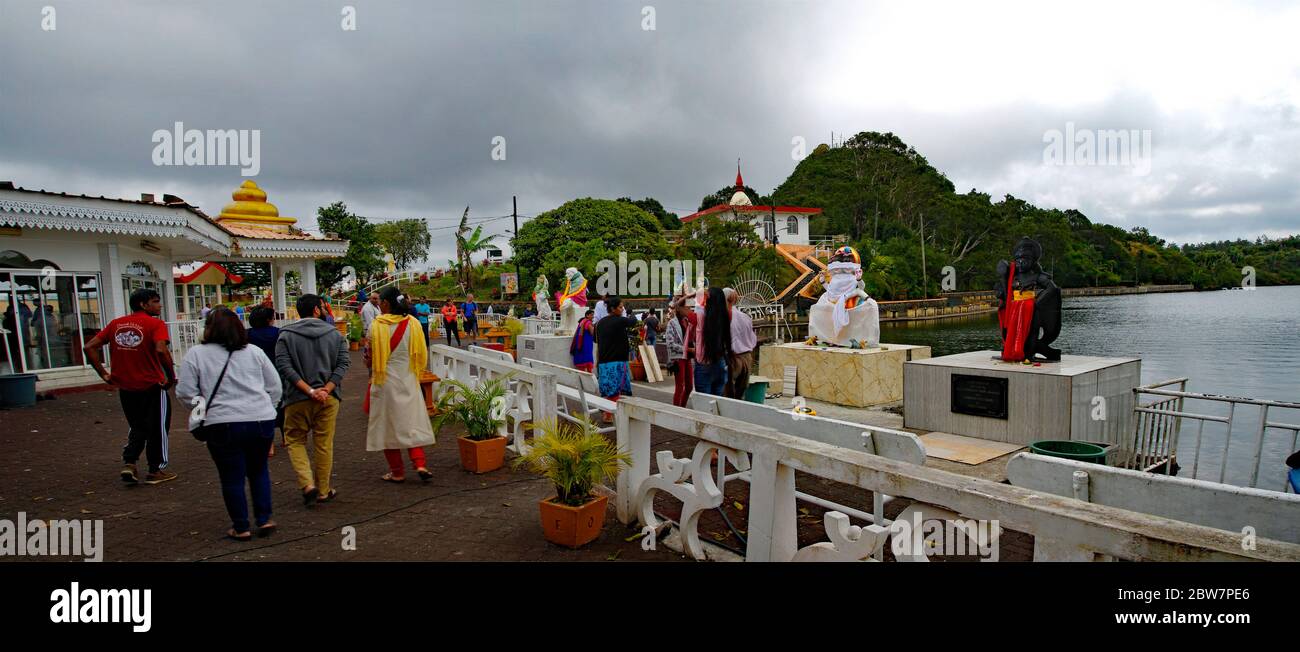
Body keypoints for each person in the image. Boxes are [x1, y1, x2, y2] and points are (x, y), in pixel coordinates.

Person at [177, 308, 282, 541]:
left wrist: (201, 411)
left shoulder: (196, 354)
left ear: (209, 328)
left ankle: (241, 526)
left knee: (232, 476)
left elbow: (185, 393)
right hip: (260, 420)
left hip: (221, 423)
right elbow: (275, 386)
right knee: (259, 471)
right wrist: (268, 408)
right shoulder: (254, 352)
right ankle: (265, 519)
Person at [84, 289, 178, 485]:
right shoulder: (155, 324)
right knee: (158, 427)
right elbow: (161, 350)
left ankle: (130, 462)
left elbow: (89, 347)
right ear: (144, 305)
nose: (159, 305)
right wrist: (171, 377)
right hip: (152, 384)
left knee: (137, 425)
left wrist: (103, 374)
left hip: (126, 386)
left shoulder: (116, 324)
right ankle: (156, 469)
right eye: (155, 301)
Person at [276, 294, 350, 506]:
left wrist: (309, 390)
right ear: (317, 310)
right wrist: (325, 390)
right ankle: (324, 490)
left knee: (295, 440)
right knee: (323, 444)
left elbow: (284, 366)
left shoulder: (286, 335)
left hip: (296, 398)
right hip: (328, 398)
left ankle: (307, 483)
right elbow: (343, 364)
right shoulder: (335, 334)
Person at [366, 287, 436, 483]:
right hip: (408, 378)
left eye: (380, 302)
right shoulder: (413, 324)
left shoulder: (376, 326)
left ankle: (397, 472)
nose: (378, 305)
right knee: (411, 422)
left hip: (385, 380)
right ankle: (420, 464)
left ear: (386, 304)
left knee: (387, 427)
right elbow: (421, 352)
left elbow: (368, 358)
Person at [246, 305, 282, 457]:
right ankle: (287, 438)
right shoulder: (278, 333)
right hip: (277, 371)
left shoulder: (248, 334)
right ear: (269, 319)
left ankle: (269, 445)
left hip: (255, 374)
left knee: (261, 408)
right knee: (280, 406)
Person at [594, 296, 639, 417]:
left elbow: (596, 340)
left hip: (603, 363)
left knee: (609, 390)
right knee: (615, 391)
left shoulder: (599, 323)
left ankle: (612, 413)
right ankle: (609, 414)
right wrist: (631, 314)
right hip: (617, 362)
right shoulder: (620, 320)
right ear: (613, 308)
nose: (622, 309)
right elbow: (633, 322)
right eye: (620, 307)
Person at [693, 287, 731, 397]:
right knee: (717, 402)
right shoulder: (725, 316)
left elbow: (677, 307)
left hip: (704, 362)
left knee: (704, 405)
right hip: (720, 362)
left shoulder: (699, 315)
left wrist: (694, 294)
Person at [724, 288, 757, 400]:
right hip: (747, 356)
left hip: (732, 357)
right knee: (740, 393)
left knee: (728, 392)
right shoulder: (746, 317)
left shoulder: (725, 317)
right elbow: (753, 339)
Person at [665, 297, 695, 407]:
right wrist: (687, 349)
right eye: (687, 308)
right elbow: (670, 344)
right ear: (679, 308)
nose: (689, 310)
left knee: (689, 386)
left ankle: (682, 408)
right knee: (680, 386)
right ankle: (677, 410)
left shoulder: (687, 322)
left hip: (687, 357)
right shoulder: (672, 323)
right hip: (678, 357)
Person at [570, 308, 596, 373]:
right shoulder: (588, 322)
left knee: (581, 359)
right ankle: (589, 375)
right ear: (587, 315)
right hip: (586, 343)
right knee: (588, 359)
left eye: (593, 315)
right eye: (591, 315)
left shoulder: (582, 322)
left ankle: (582, 374)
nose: (593, 317)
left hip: (580, 344)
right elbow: (592, 333)